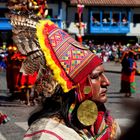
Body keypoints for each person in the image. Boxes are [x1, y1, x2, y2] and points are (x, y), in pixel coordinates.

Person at [7, 1, 121, 139]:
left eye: (104, 74)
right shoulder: (48, 134)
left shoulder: (107, 123)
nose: (106, 82)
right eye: (96, 76)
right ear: (76, 85)